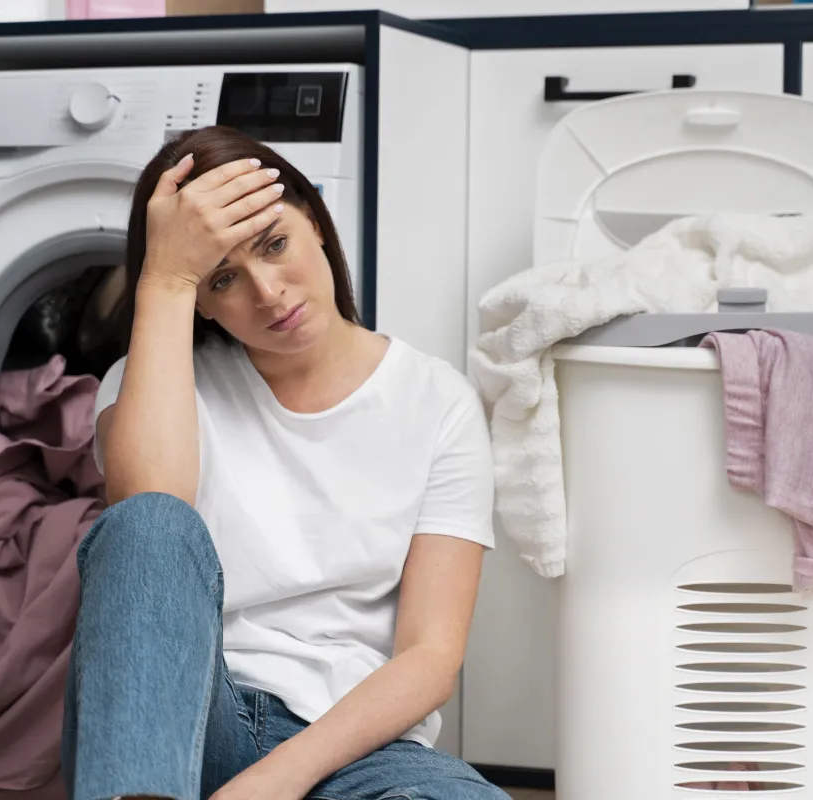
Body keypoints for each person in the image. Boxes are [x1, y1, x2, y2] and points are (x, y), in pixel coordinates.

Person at [60, 125, 507, 800]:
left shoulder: (438, 400)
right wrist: (166, 277)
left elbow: (430, 657)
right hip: (181, 722)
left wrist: (276, 780)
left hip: (354, 745)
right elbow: (147, 522)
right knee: (148, 522)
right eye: (223, 278)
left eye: (275, 244)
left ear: (317, 222)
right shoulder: (154, 381)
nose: (268, 293)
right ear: (201, 303)